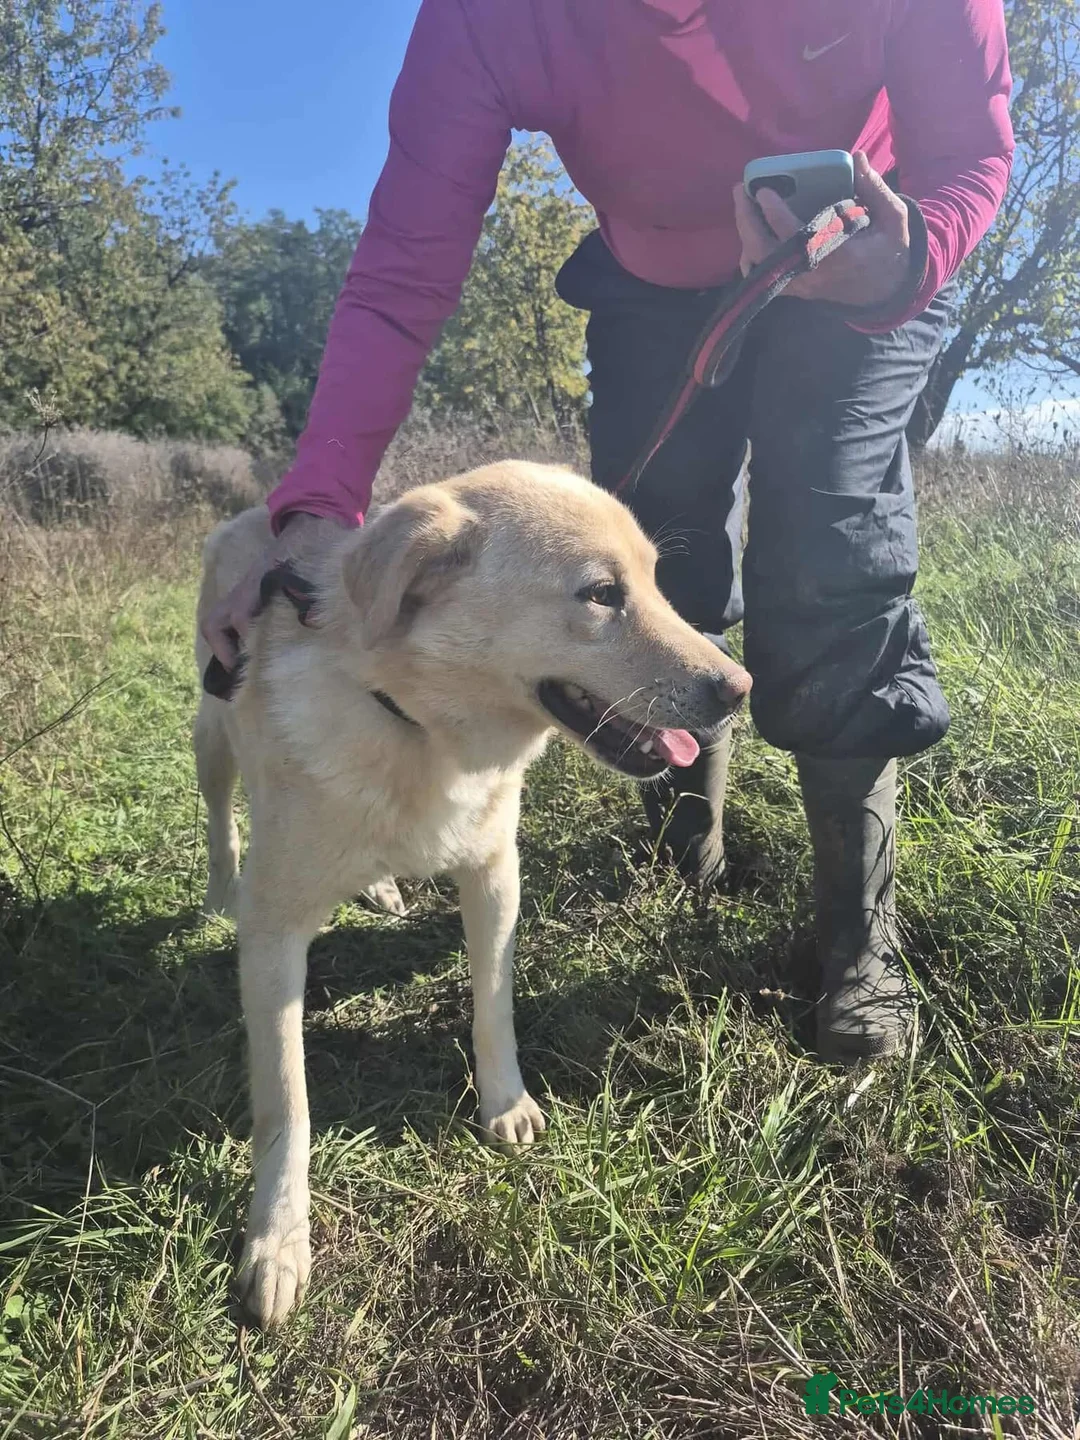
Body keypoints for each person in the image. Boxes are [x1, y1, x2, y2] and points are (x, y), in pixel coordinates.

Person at [202, 0, 1014, 1063]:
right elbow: (403, 273)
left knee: (835, 549)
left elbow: (972, 147)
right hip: (651, 286)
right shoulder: (487, 17)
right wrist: (315, 508)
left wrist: (911, 259)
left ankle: (858, 940)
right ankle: (684, 849)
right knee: (657, 543)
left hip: (862, 256)